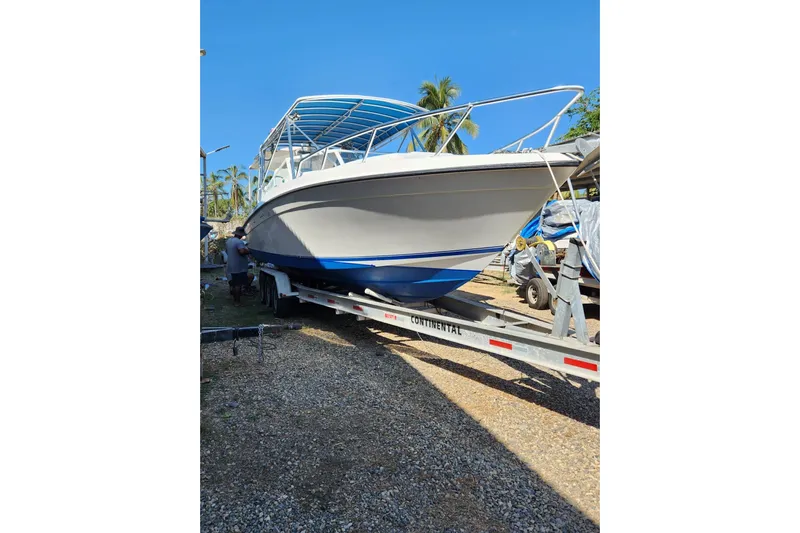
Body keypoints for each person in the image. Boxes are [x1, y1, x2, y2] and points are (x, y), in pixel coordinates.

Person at [225, 227, 251, 306]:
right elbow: (242, 251)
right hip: (239, 267)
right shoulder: (239, 242)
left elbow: (227, 251)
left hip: (230, 266)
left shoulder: (228, 241)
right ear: (241, 235)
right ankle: (237, 302)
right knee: (238, 285)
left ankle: (236, 296)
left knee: (234, 283)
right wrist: (248, 251)